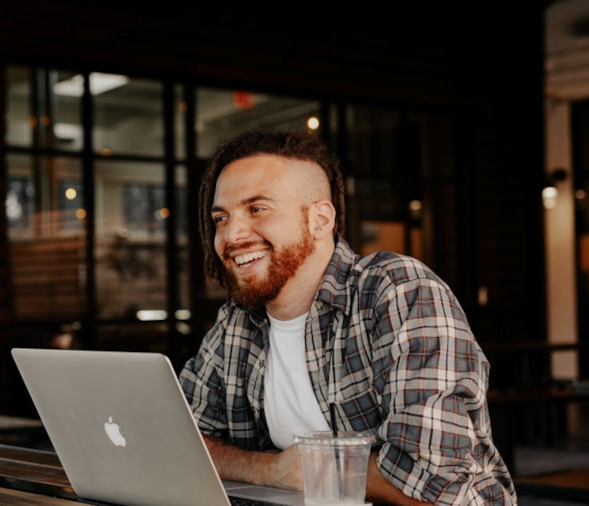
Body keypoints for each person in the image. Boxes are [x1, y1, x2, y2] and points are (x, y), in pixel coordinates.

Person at [178, 128, 516, 505]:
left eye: (257, 209)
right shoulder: (238, 321)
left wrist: (319, 469)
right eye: (221, 218)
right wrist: (269, 471)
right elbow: (182, 438)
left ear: (320, 220)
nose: (231, 234)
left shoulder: (398, 291)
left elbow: (429, 482)